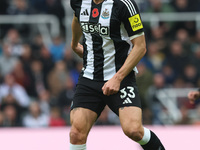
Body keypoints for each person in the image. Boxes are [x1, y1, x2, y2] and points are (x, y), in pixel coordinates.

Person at [70, 0, 165, 150]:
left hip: (121, 78)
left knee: (134, 130)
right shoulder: (79, 1)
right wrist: (74, 43)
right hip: (89, 77)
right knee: (76, 134)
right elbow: (77, 18)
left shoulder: (124, 4)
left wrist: (117, 78)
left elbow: (140, 47)